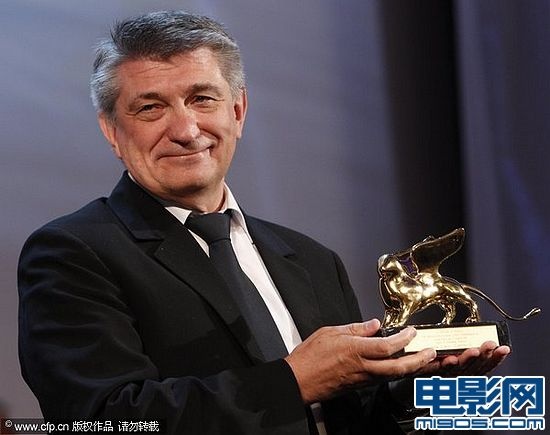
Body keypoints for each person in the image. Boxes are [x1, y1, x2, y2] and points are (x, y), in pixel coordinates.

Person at [18, 11, 509, 435]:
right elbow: (104, 420)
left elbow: (350, 418)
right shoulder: (73, 253)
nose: (185, 130)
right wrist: (293, 380)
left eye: (202, 99)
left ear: (238, 110)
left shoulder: (312, 260)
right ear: (112, 130)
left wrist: (419, 391)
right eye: (150, 107)